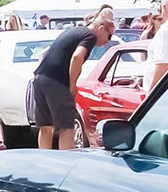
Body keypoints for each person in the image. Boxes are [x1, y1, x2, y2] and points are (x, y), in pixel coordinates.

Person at [29, 17, 113, 150]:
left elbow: (44, 53)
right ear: (101, 28)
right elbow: (77, 57)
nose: (107, 42)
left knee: (46, 126)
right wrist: (72, 84)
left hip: (40, 77)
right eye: (109, 36)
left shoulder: (73, 31)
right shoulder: (90, 36)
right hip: (57, 82)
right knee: (66, 127)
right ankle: (66, 162)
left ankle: (43, 159)